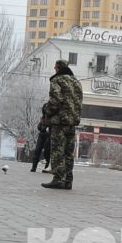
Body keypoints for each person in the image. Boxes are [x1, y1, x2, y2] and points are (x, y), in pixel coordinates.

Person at [42, 59, 82, 190]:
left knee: (57, 151)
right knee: (68, 153)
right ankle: (68, 181)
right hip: (72, 122)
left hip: (59, 122)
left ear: (57, 68)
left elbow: (56, 100)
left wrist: (47, 111)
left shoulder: (57, 80)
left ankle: (58, 179)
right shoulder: (76, 82)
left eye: (55, 68)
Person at [30, 103, 52, 173]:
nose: (46, 110)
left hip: (48, 135)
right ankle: (34, 167)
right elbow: (39, 126)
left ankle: (46, 167)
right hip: (41, 135)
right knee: (37, 150)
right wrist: (42, 127)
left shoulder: (52, 117)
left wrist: (48, 128)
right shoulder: (43, 117)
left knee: (47, 152)